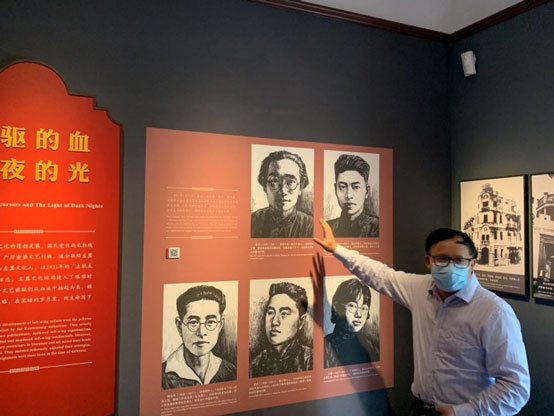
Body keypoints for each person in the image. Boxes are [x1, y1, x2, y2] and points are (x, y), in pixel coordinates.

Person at [314, 219, 530, 416]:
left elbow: (516, 387)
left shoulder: (494, 312)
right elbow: (380, 275)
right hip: (421, 409)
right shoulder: (420, 289)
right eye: (442, 259)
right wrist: (337, 249)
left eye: (459, 260)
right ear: (429, 261)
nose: (451, 266)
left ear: (472, 264)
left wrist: (462, 412)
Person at [162, 285, 236, 389]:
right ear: (179, 326)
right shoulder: (162, 376)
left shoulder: (230, 371)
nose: (201, 332)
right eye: (193, 322)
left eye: (210, 322)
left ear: (220, 325)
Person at [250, 282, 313, 378]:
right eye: (270, 312)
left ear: (300, 322)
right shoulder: (255, 365)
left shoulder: (310, 360)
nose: (274, 322)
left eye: (284, 314)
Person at [251, 150, 313, 238]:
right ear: (264, 186)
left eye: (290, 182)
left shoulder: (310, 225)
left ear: (301, 187)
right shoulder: (251, 221)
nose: (283, 191)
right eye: (274, 181)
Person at [324, 278, 379, 368]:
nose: (359, 314)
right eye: (352, 306)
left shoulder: (370, 346)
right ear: (337, 307)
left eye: (364, 308)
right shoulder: (326, 346)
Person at [327, 154, 379, 237]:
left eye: (356, 187)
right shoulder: (328, 228)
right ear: (335, 189)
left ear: (367, 191)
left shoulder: (378, 227)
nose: (349, 195)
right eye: (343, 187)